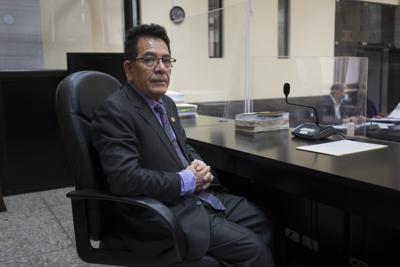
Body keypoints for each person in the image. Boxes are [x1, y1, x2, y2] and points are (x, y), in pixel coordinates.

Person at [91, 24, 275, 267]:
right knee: (253, 250)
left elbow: (182, 147)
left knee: (261, 222)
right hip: (161, 213)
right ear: (129, 69)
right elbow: (124, 178)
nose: (161, 68)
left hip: (193, 197)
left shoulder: (166, 103)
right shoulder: (115, 111)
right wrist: (187, 180)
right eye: (149, 60)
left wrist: (201, 167)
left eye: (166, 60)